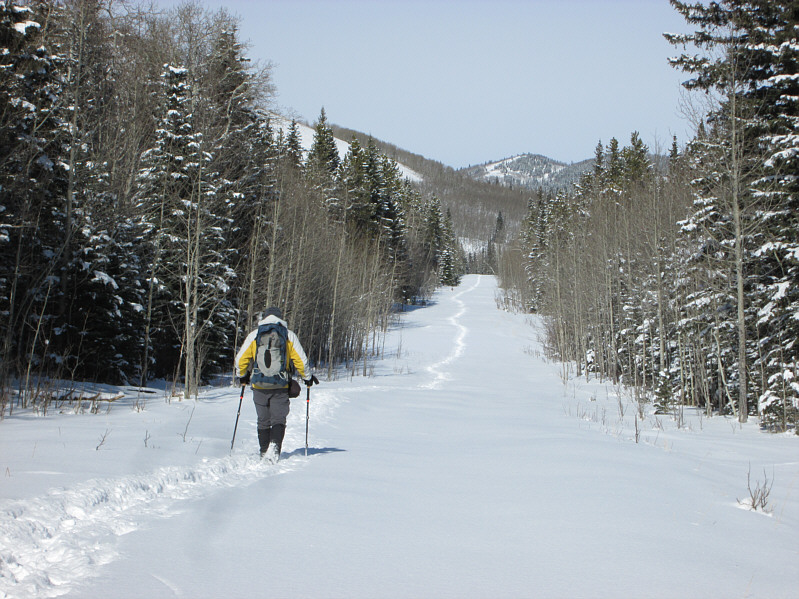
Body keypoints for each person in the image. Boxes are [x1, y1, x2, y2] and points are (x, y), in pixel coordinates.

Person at [235, 307, 313, 461]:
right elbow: (301, 361)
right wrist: (307, 378)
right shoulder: (288, 335)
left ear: (264, 318)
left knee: (263, 420)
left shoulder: (254, 335)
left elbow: (240, 360)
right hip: (280, 385)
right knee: (278, 419)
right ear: (281, 318)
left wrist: (242, 376)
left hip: (259, 385)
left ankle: (264, 451)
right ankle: (275, 450)